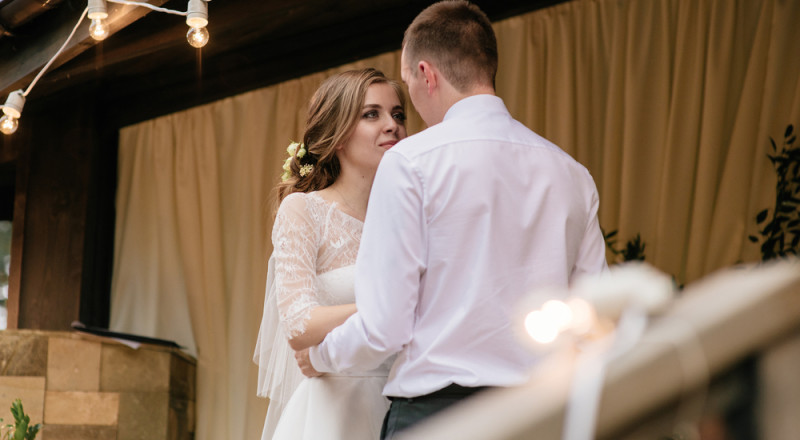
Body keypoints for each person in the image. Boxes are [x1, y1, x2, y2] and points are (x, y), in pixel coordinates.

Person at [295, 1, 609, 438]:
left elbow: (385, 327)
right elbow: (595, 319)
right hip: (544, 417)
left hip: (437, 417)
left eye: (407, 88)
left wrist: (323, 356)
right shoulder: (573, 175)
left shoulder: (409, 163)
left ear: (426, 74)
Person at [253, 67, 408, 440]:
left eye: (398, 114)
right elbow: (298, 323)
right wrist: (389, 310)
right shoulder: (304, 211)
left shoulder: (410, 219)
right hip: (334, 412)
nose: (392, 125)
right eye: (372, 114)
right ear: (338, 136)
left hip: (404, 405)